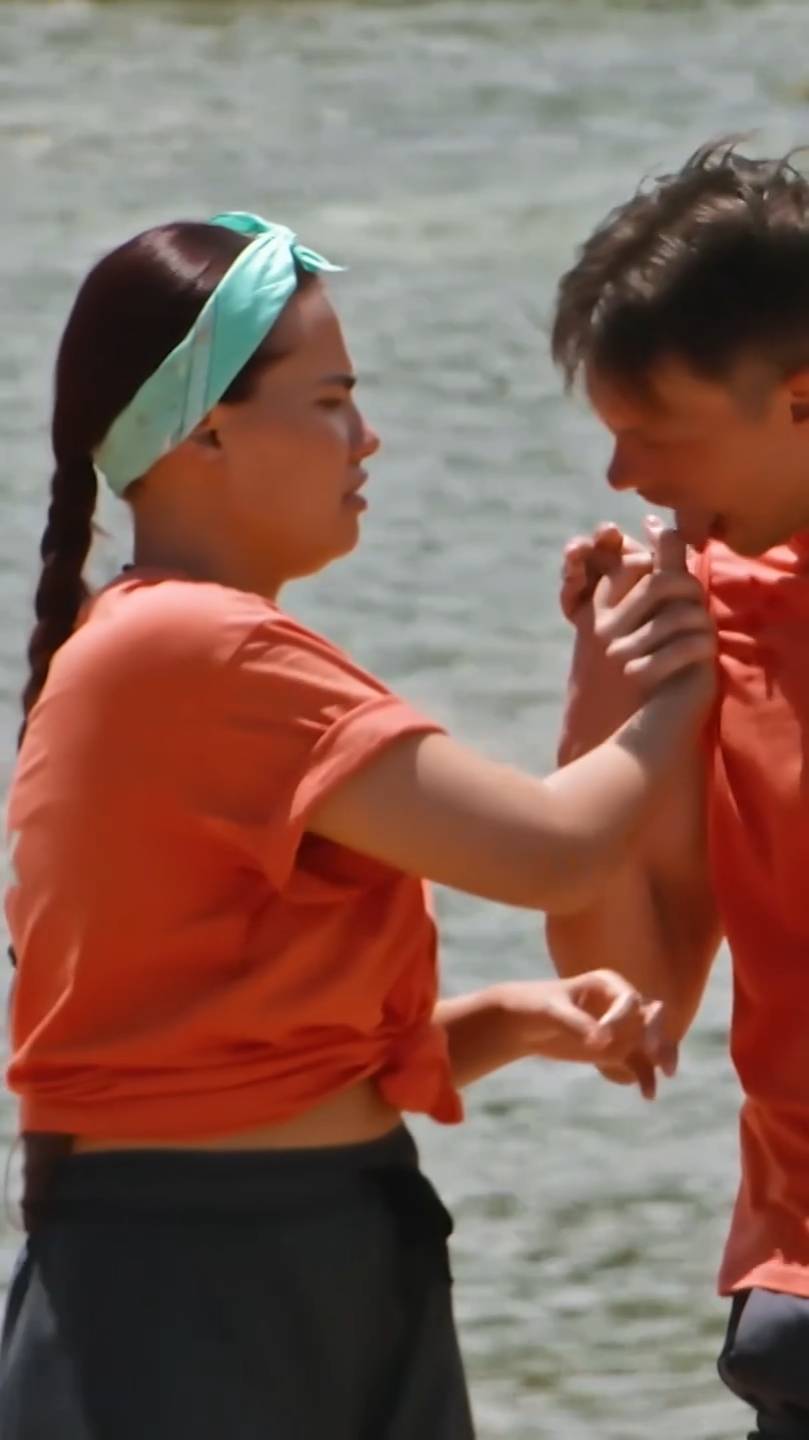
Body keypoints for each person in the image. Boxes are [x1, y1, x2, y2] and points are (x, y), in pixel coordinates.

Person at [0, 210, 713, 1440]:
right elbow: (552, 852)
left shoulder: (162, 642)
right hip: (201, 1289)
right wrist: (680, 692)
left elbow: (239, 1066)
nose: (366, 436)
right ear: (206, 431)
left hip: (281, 1255)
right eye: (331, 401)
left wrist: (510, 1019)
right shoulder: (202, 648)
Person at [548, 141, 809, 1439]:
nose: (623, 479)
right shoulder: (706, 617)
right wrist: (608, 705)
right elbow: (632, 992)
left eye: (654, 433)